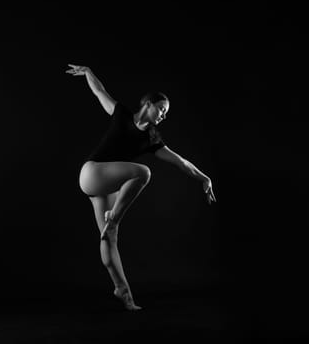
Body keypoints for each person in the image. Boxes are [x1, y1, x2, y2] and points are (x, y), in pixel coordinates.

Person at [66, 64, 217, 311]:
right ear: (148, 104)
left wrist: (204, 178)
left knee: (109, 238)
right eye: (161, 109)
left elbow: (180, 161)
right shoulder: (121, 114)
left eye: (166, 113)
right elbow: (100, 92)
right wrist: (88, 72)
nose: (163, 115)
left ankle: (123, 293)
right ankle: (113, 218)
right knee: (143, 172)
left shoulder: (152, 139)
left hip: (104, 188)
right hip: (91, 172)